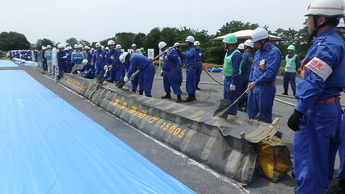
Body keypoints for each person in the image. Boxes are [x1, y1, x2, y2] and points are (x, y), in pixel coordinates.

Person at [286, 0, 345, 193]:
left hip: (317, 110)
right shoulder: (336, 42)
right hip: (330, 108)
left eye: (309, 19)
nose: (307, 24)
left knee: (310, 163)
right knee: (322, 163)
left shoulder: (325, 46)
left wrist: (299, 110)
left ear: (321, 19)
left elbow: (314, 82)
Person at [247, 27, 281, 123]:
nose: (253, 45)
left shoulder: (274, 52)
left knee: (264, 117)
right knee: (251, 114)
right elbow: (253, 69)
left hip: (265, 88)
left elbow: (270, 72)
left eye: (255, 42)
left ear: (262, 41)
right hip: (254, 87)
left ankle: (264, 136)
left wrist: (256, 82)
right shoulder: (258, 52)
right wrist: (250, 82)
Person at [222, 33, 242, 116]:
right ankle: (227, 112)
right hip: (227, 77)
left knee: (232, 98)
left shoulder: (236, 54)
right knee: (226, 97)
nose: (224, 44)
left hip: (233, 78)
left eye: (225, 43)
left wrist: (233, 82)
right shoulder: (228, 52)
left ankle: (232, 114)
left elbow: (235, 70)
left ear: (229, 44)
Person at [178, 36, 197, 102]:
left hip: (191, 67)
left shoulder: (192, 50)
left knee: (189, 82)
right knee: (191, 82)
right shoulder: (188, 49)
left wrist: (180, 52)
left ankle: (190, 97)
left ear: (190, 43)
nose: (185, 43)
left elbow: (187, 55)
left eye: (187, 42)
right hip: (189, 67)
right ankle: (193, 95)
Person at [237, 39, 254, 112]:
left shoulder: (244, 55)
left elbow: (242, 65)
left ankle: (240, 105)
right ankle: (247, 106)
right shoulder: (251, 55)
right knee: (246, 91)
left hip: (243, 74)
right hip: (249, 75)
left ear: (246, 46)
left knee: (240, 90)